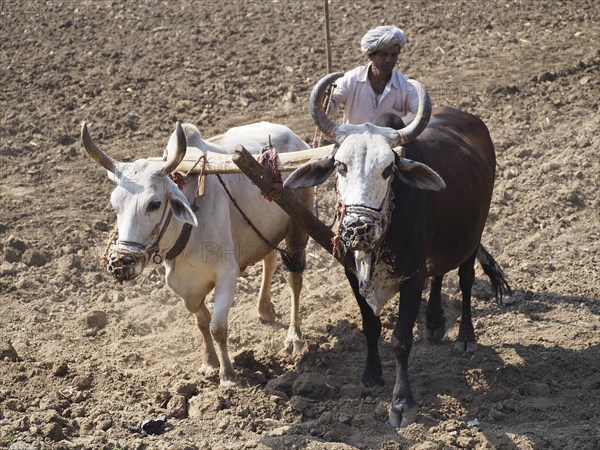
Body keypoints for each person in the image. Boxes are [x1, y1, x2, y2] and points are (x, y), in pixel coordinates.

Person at [328, 25, 420, 126]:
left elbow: (420, 115)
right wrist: (326, 100)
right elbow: (328, 109)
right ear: (371, 55)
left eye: (394, 55)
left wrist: (398, 124)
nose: (389, 60)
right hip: (355, 140)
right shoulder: (350, 79)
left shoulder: (406, 86)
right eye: (384, 55)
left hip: (390, 141)